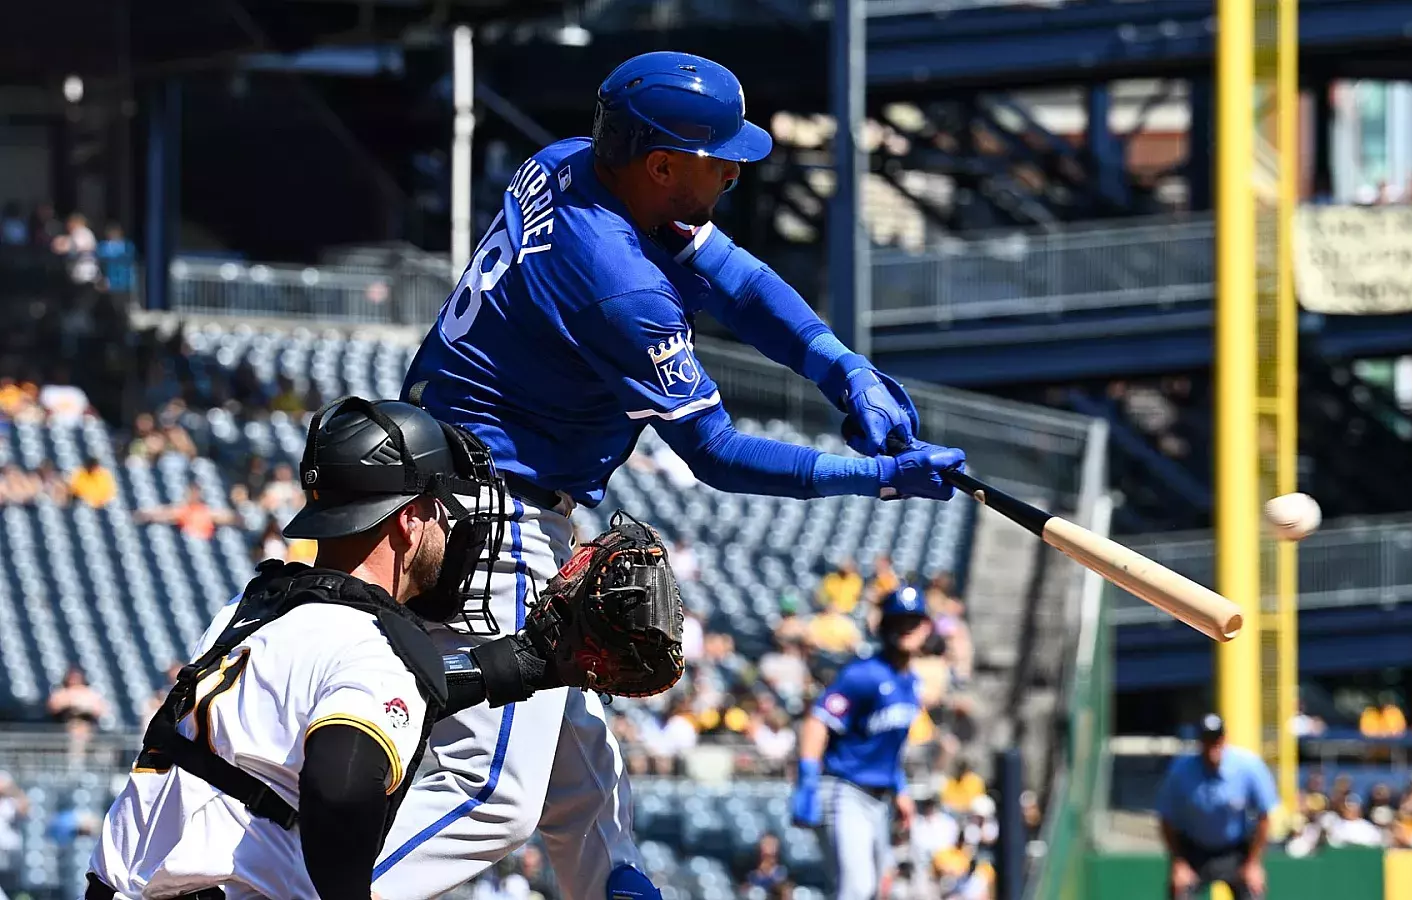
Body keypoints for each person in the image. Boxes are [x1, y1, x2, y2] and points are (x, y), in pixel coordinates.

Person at [391, 49, 966, 900]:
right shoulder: (618, 282)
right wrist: (876, 476)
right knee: (489, 798)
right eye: (719, 157)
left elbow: (736, 279)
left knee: (585, 790)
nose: (736, 168)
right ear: (661, 164)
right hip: (489, 514)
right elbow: (716, 454)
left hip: (459, 486)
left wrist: (839, 364)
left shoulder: (567, 162)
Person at [86, 398, 640, 900]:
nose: (455, 527)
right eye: (443, 511)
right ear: (409, 522)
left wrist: (523, 668)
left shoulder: (253, 607)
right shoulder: (373, 646)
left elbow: (359, 693)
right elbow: (341, 782)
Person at [791, 586, 933, 900]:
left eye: (913, 621)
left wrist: (901, 790)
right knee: (856, 889)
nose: (906, 629)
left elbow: (890, 745)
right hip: (845, 788)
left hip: (879, 798)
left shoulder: (911, 682)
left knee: (877, 889)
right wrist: (806, 778)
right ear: (885, 626)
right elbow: (818, 720)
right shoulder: (864, 674)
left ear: (926, 627)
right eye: (898, 621)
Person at [1155, 714, 1278, 900]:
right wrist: (1179, 862)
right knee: (1179, 891)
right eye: (1207, 740)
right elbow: (1166, 817)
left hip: (1237, 849)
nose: (1213, 746)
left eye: (1216, 739)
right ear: (1200, 742)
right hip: (1194, 849)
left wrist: (1253, 863)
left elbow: (1265, 816)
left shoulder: (1248, 766)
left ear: (1224, 739)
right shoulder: (1181, 770)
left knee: (1253, 891)